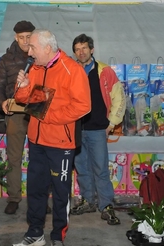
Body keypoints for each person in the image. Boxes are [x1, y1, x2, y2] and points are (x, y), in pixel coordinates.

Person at [12, 29, 91, 246]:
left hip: (61, 143)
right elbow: (21, 99)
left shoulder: (72, 69)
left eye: (33, 47)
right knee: (35, 189)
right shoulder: (35, 68)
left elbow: (83, 106)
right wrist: (25, 85)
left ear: (47, 48)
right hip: (36, 140)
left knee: (60, 192)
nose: (29, 51)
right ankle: (35, 232)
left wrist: (50, 117)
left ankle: (57, 236)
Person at [70, 34, 125, 225]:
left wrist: (111, 124)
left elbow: (119, 97)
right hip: (76, 129)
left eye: (84, 48)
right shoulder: (70, 70)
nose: (81, 52)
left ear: (92, 50)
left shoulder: (105, 71)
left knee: (101, 168)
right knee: (82, 168)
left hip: (98, 129)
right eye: (77, 49)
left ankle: (106, 204)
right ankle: (87, 200)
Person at [0, 20, 38, 215]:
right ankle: (13, 198)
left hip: (37, 112)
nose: (26, 41)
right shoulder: (6, 59)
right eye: (22, 37)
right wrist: (2, 102)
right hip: (15, 113)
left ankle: (41, 199)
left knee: (40, 159)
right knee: (14, 158)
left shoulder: (41, 56)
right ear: (15, 37)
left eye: (29, 37)